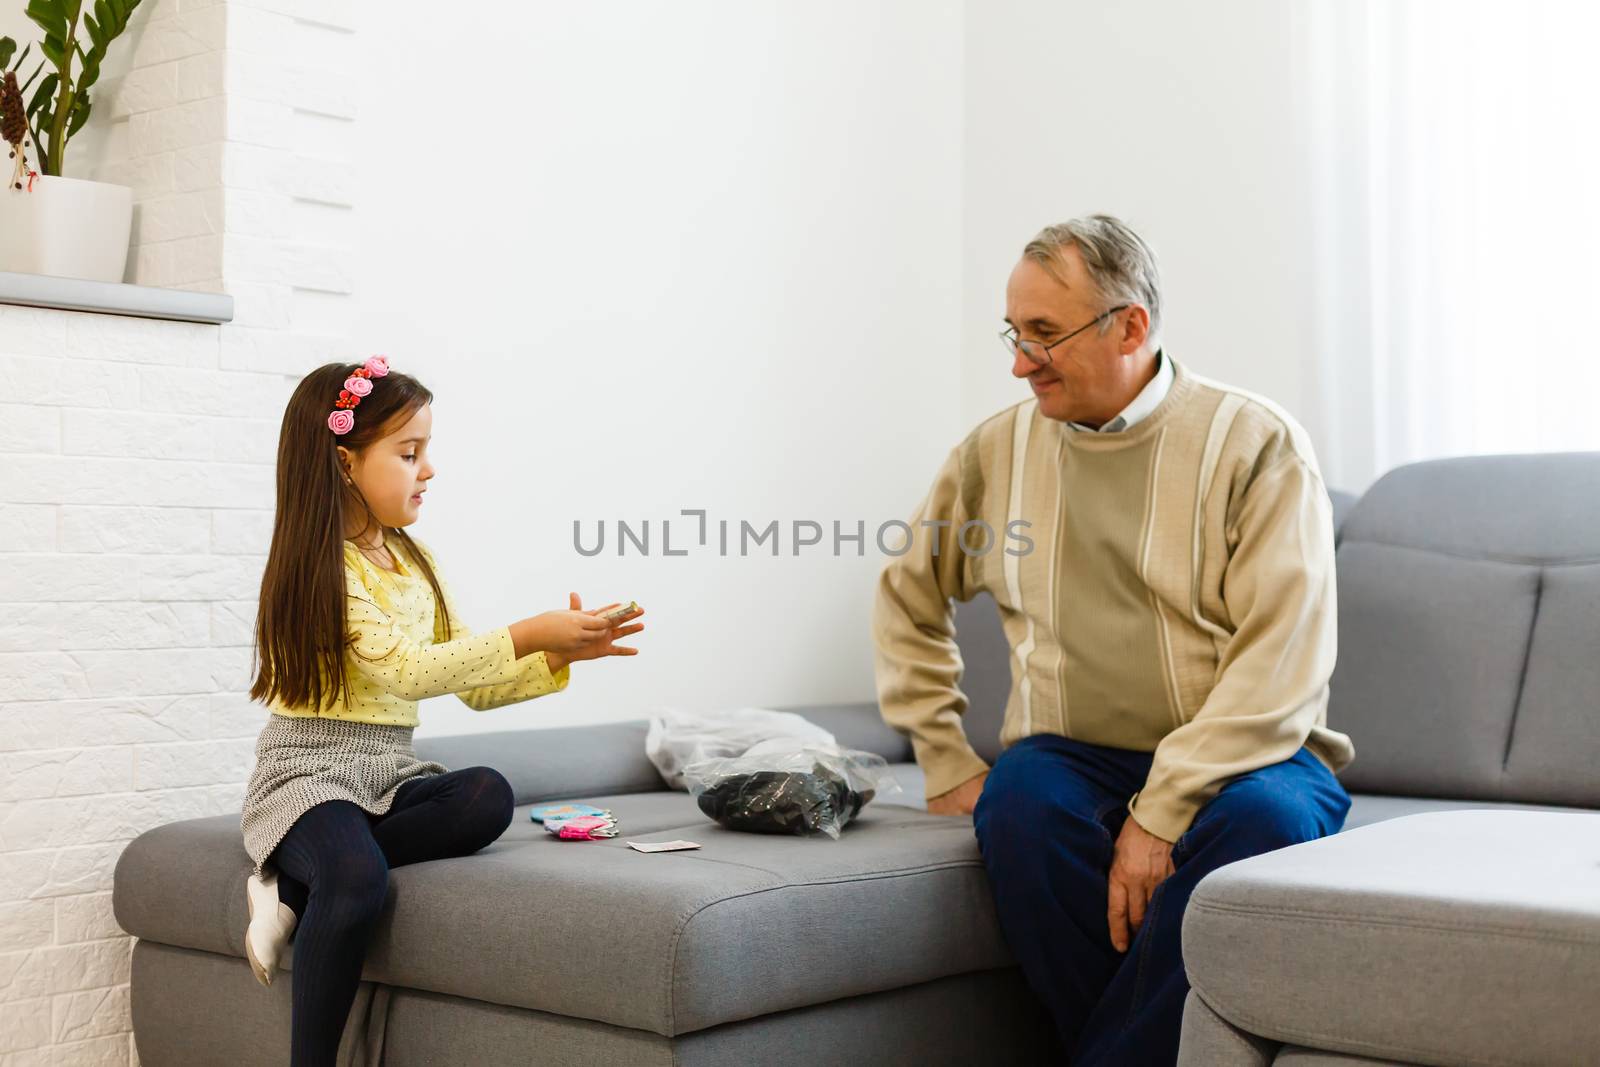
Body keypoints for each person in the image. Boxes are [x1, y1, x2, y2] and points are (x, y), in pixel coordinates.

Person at [872, 215, 1355, 1064]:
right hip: (1073, 753)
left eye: (1046, 335)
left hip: (1255, 758)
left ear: (1131, 324)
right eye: (1014, 335)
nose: (1021, 362)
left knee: (1262, 824)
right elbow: (908, 594)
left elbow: (1284, 660)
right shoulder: (995, 451)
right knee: (1017, 806)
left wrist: (1161, 811)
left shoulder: (1254, 443)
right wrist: (944, 754)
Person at [238, 358, 644, 1066]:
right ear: (344, 462)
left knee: (488, 793)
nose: (429, 470)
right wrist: (526, 632)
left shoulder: (416, 561)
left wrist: (559, 656)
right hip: (309, 772)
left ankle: (296, 888)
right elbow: (407, 669)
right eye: (409, 452)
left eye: (426, 451)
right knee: (360, 877)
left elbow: (473, 681)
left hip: (388, 770)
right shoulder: (327, 569)